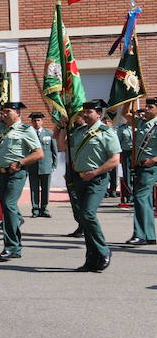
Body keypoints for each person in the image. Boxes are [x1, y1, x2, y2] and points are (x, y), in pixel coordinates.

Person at [56, 100, 120, 272]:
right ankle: (91, 259)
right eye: (83, 112)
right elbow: (62, 146)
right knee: (83, 217)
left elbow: (115, 159)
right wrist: (63, 127)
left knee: (87, 214)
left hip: (96, 179)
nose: (84, 115)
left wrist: (95, 172)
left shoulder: (107, 133)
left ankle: (103, 250)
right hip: (79, 179)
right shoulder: (79, 131)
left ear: (99, 114)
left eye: (89, 112)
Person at [0, 101, 43, 262]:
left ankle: (11, 247)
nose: (4, 114)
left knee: (9, 205)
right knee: (8, 209)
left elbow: (38, 153)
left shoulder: (26, 130)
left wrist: (20, 163)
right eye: (2, 111)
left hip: (16, 173)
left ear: (17, 113)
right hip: (0, 173)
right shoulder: (0, 127)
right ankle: (16, 229)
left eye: (7, 111)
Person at [120, 98, 157, 245]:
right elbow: (124, 113)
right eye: (146, 106)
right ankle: (150, 235)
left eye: (150, 107)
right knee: (145, 200)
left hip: (150, 167)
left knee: (140, 198)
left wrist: (153, 160)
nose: (147, 109)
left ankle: (140, 234)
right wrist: (128, 98)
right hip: (139, 167)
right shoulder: (141, 122)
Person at [28, 112, 58, 218]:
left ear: (42, 121)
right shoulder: (29, 134)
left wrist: (54, 165)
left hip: (46, 166)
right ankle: (35, 209)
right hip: (33, 166)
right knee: (34, 189)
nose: (36, 123)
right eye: (34, 121)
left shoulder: (49, 133)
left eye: (38, 120)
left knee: (45, 189)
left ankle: (44, 208)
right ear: (31, 122)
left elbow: (54, 151)